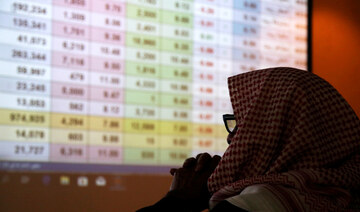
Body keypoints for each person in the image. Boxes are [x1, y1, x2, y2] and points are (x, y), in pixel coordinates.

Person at [137, 67, 360, 212]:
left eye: (246, 123)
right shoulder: (342, 196)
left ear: (276, 131)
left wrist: (181, 199)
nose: (231, 137)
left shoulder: (260, 202)